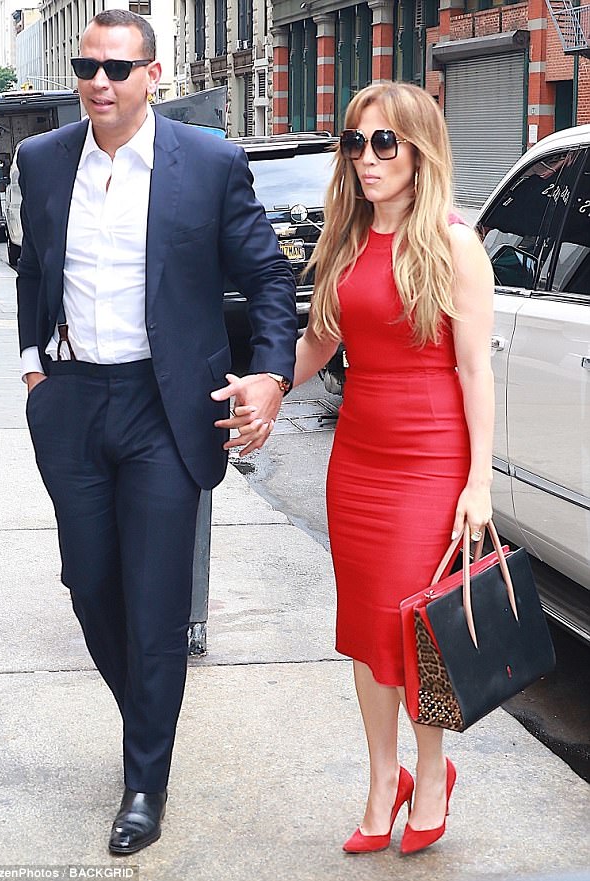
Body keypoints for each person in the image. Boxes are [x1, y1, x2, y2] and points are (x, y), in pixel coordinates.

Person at [16, 9, 296, 856]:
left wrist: (272, 375)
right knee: (91, 584)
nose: (100, 81)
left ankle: (145, 778)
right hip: (70, 398)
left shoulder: (207, 163)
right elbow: (36, 265)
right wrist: (33, 364)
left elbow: (268, 277)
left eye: (118, 67)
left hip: (164, 405)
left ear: (153, 76)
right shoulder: (40, 159)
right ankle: (149, 713)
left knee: (157, 596)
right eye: (87, 65)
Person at [216, 81, 494, 854]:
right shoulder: (344, 240)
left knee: (418, 631)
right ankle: (382, 780)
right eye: (353, 143)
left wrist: (479, 482)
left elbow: (476, 372)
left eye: (383, 143)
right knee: (367, 632)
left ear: (419, 150)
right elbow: (318, 346)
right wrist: (266, 383)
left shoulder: (452, 241)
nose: (366, 158)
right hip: (359, 463)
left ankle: (431, 773)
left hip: (432, 459)